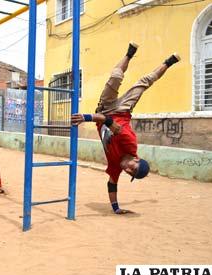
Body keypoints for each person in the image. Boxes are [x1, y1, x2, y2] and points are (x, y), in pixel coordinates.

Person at [71, 42, 180, 214]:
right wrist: (85, 118)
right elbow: (107, 121)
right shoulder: (130, 143)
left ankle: (139, 57)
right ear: (136, 159)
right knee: (141, 83)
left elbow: (112, 184)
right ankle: (159, 60)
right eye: (132, 169)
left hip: (104, 108)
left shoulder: (117, 165)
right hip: (120, 111)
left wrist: (116, 208)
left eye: (129, 174)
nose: (126, 170)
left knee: (114, 77)